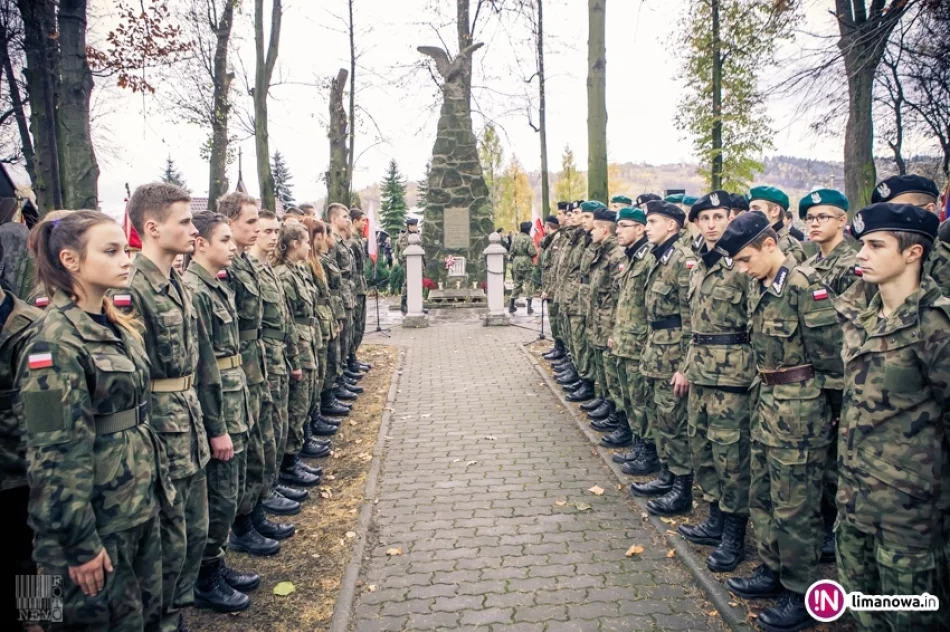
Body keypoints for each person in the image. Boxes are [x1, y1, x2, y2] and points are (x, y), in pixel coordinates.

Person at [18, 211, 175, 630]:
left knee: (143, 615)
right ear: (70, 260)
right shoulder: (52, 343)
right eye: (111, 251)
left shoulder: (112, 322)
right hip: (93, 520)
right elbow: (52, 454)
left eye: (125, 249)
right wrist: (80, 542)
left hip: (132, 503)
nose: (126, 259)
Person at [834, 202, 950, 632]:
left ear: (913, 253)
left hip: (910, 516)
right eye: (862, 244)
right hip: (855, 502)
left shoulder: (936, 325)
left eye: (876, 245)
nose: (861, 254)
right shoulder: (863, 318)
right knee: (863, 611)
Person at [717, 211, 835, 632]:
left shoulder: (805, 287)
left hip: (800, 416)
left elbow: (832, 361)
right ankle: (772, 570)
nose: (741, 269)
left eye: (745, 259)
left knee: (796, 508)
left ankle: (801, 592)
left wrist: (830, 416)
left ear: (770, 244)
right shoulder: (760, 286)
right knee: (764, 496)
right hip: (765, 404)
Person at [124, 183, 208, 630]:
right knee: (164, 541)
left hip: (185, 422)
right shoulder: (132, 288)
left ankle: (174, 613)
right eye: (185, 221)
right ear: (153, 228)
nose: (194, 230)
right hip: (158, 431)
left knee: (190, 531)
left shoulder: (175, 280)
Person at [184, 212, 257, 613]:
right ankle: (204, 578)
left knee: (225, 494)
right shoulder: (194, 290)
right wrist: (214, 425)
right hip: (215, 406)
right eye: (224, 239)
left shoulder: (214, 284)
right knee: (218, 496)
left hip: (230, 396)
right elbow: (201, 367)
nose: (232, 247)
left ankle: (213, 565)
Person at [677, 191, 754, 573]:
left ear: (730, 218)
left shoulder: (741, 264)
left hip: (732, 378)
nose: (711, 224)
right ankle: (715, 520)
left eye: (718, 217)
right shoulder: (699, 264)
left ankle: (734, 536)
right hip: (700, 372)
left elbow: (756, 323)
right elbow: (694, 325)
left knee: (731, 458)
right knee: (703, 449)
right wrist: (685, 366)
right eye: (704, 218)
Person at [797, 188, 859, 565]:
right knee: (819, 457)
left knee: (838, 460)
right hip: (814, 378)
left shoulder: (851, 264)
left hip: (841, 377)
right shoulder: (808, 264)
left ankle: (836, 532)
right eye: (810, 218)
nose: (815, 223)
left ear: (842, 221)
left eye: (823, 217)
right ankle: (822, 523)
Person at [215, 193, 277, 559]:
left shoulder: (242, 265)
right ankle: (242, 525)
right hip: (237, 368)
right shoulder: (225, 270)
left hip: (252, 362)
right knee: (247, 448)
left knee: (259, 442)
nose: (256, 228)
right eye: (250, 222)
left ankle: (253, 513)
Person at [631, 201, 695, 517]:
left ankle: (682, 489)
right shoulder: (662, 257)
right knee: (661, 419)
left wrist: (685, 365)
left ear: (671, 225)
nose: (647, 227)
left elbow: (690, 318)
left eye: (652, 221)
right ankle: (668, 476)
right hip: (657, 351)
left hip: (673, 356)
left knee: (674, 423)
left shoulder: (682, 259)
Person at [248, 210, 302, 536]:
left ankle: (273, 483)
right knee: (266, 434)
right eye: (266, 230)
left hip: (274, 357)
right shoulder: (248, 272)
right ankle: (262, 497)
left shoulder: (266, 269)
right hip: (262, 364)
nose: (272, 236)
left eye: (274, 231)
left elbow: (284, 318)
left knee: (276, 428)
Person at [0, 238, 42, 630]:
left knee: (32, 556)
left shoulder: (29, 324)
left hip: (22, 468)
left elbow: (44, 412)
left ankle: (40, 621)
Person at [274, 222, 327, 491]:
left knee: (304, 400)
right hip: (298, 344)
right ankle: (289, 463)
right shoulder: (284, 275)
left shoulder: (299, 270)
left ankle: (299, 449)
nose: (309, 246)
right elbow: (288, 319)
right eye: (305, 241)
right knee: (296, 405)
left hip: (308, 339)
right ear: (294, 244)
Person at [607, 207, 658, 475]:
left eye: (624, 225)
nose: (618, 231)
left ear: (640, 229)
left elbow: (651, 307)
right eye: (618, 226)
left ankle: (648, 451)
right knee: (631, 397)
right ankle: (639, 443)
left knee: (642, 401)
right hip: (626, 340)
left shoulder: (648, 258)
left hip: (639, 343)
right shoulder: (632, 258)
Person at [584, 208, 629, 448]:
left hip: (610, 323)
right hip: (600, 320)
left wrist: (614, 330)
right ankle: (610, 407)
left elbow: (619, 298)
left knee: (614, 376)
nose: (590, 233)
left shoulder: (616, 255)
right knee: (606, 372)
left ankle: (619, 419)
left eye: (594, 228)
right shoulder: (603, 251)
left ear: (603, 229)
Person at [870, 174, 950, 296]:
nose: (887, 221)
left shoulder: (945, 261)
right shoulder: (876, 256)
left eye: (897, 212)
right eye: (882, 214)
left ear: (929, 210)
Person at [563, 202, 600, 403]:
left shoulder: (595, 242)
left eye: (586, 216)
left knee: (585, 343)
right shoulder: (581, 238)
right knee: (578, 341)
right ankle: (581, 376)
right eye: (579, 214)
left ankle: (588, 383)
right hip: (576, 297)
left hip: (585, 302)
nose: (580, 219)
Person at [748, 186, 806, 264]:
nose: (750, 213)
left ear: (775, 211)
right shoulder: (756, 240)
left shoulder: (788, 247)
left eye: (756, 208)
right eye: (750, 208)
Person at [346, 209, 371, 372]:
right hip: (355, 286)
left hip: (360, 284)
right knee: (355, 325)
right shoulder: (352, 241)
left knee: (360, 325)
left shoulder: (358, 240)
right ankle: (350, 359)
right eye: (362, 220)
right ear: (354, 221)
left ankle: (353, 356)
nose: (364, 224)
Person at [508, 221, 538, 314]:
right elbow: (532, 252)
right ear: (528, 229)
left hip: (516, 262)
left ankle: (511, 306)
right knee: (529, 283)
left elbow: (511, 251)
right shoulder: (529, 239)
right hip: (527, 263)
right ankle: (529, 307)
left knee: (517, 283)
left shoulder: (515, 238)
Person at [394, 218, 419, 313]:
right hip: (407, 263)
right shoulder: (405, 237)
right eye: (414, 225)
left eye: (416, 225)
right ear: (409, 226)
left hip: (417, 263)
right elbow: (404, 252)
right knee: (407, 283)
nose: (416, 227)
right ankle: (403, 304)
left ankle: (416, 305)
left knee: (417, 283)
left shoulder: (418, 235)